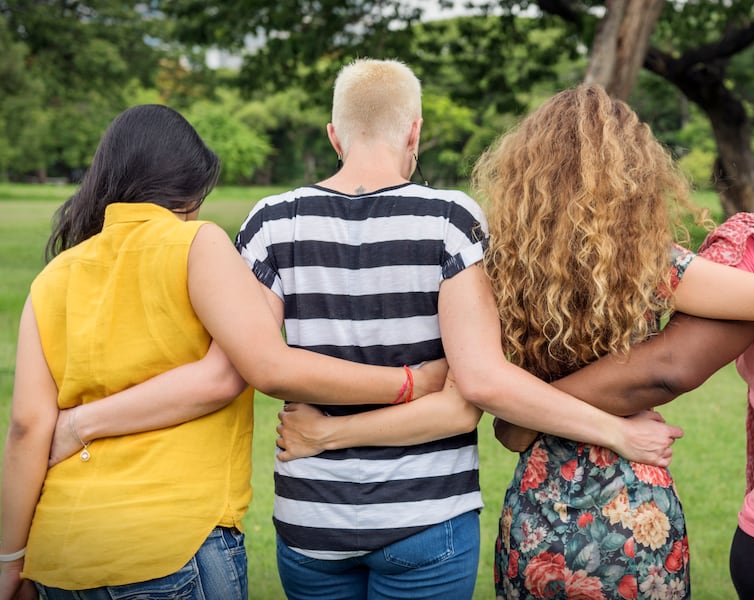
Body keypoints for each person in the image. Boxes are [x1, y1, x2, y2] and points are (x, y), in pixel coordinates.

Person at [272, 83, 754, 598]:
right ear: (635, 172)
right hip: (634, 503)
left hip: (537, 510)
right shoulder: (651, 265)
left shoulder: (494, 265)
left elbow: (477, 383)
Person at [0, 104, 470, 600]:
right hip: (171, 541)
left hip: (62, 554)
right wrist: (410, 382)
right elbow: (254, 367)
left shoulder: (53, 276)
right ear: (187, 188)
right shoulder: (195, 244)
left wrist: (11, 561)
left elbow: (28, 428)